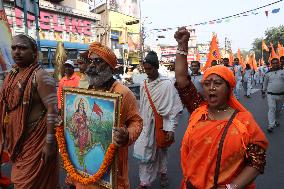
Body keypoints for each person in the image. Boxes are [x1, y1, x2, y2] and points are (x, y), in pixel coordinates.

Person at [174, 27, 268, 189]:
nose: (211, 88)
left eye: (217, 83)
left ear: (229, 88)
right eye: (207, 84)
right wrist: (182, 45)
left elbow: (257, 162)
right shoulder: (198, 109)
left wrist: (231, 187)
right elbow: (182, 79)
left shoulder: (244, 122)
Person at [66, 42, 143, 189]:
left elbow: (136, 122)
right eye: (90, 61)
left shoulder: (124, 93)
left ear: (109, 67)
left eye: (98, 61)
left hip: (111, 170)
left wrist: (127, 135)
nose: (92, 66)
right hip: (84, 169)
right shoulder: (82, 90)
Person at [0, 34, 59, 188]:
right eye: (14, 48)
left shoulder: (40, 76)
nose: (17, 52)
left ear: (34, 52)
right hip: (18, 143)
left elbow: (53, 110)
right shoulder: (11, 76)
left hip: (37, 144)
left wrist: (50, 143)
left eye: (22, 48)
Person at [133, 51, 183, 189]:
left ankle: (163, 173)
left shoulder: (167, 84)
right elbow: (143, 105)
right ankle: (144, 182)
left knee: (161, 152)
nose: (147, 72)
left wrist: (171, 129)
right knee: (145, 152)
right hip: (146, 125)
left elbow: (176, 108)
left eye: (150, 69)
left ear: (156, 67)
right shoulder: (143, 84)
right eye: (145, 69)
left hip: (163, 125)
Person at [262, 57, 284, 132]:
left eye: (276, 63)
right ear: (271, 64)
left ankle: (275, 120)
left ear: (279, 63)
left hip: (281, 95)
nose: (275, 64)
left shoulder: (282, 72)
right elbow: (265, 83)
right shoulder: (268, 73)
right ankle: (271, 125)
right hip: (271, 95)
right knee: (272, 108)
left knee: (278, 110)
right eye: (273, 63)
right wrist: (263, 91)